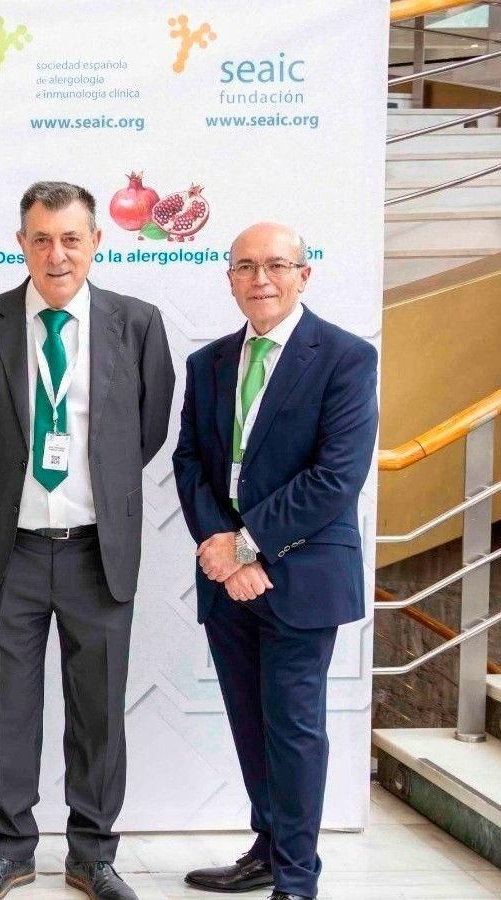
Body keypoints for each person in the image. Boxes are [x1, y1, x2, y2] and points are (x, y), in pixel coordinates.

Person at [0, 181, 175, 900]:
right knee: (7, 709)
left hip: (96, 551)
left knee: (99, 712)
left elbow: (147, 428)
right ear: (22, 244)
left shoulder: (137, 323)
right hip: (8, 551)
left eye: (71, 238)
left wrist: (90, 482)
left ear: (97, 241)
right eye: (41, 238)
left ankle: (93, 854)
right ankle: (10, 850)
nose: (56, 253)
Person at [172, 223, 377, 900]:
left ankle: (296, 875)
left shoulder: (345, 358)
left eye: (277, 265)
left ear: (304, 275)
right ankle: (267, 848)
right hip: (228, 579)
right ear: (229, 277)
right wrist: (222, 552)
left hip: (302, 575)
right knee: (251, 724)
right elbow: (192, 461)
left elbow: (336, 477)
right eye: (246, 267)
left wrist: (248, 544)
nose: (261, 279)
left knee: (292, 729)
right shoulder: (208, 364)